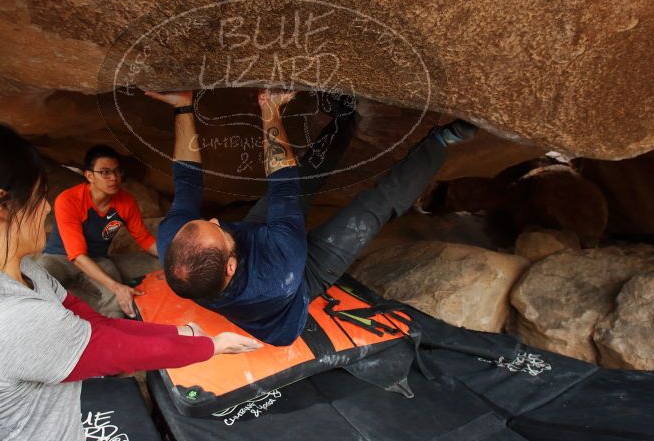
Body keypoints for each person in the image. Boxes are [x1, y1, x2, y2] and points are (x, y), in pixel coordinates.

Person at [0, 122, 260, 441]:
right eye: (39, 195)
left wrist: (181, 329)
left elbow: (93, 324)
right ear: (2, 205)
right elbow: (114, 349)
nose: (46, 206)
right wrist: (209, 346)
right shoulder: (6, 318)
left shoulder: (19, 271)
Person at [151, 89, 477, 346]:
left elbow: (187, 182)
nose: (216, 221)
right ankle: (441, 141)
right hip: (297, 288)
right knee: (371, 209)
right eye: (219, 232)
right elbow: (283, 186)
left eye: (208, 223)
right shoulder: (280, 271)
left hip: (260, 252)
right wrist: (270, 109)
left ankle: (344, 120)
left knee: (307, 173)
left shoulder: (176, 247)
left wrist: (183, 106)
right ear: (231, 265)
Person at [40, 145, 158, 318]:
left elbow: (144, 239)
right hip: (59, 258)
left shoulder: (126, 202)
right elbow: (77, 255)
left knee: (119, 300)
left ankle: (112, 339)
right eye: (105, 172)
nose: (113, 178)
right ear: (89, 176)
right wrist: (116, 286)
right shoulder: (69, 200)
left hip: (97, 259)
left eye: (117, 171)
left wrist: (172, 258)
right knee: (37, 286)